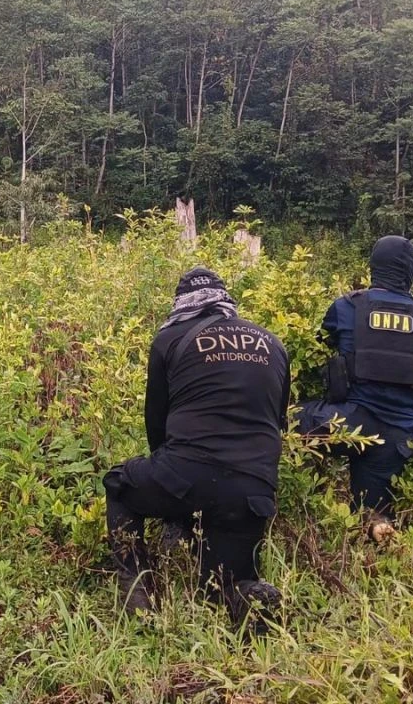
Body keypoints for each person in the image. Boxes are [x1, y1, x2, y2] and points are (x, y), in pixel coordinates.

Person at [103, 267, 290, 629]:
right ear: (226, 300)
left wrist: (176, 499)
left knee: (120, 486)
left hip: (188, 472)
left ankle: (138, 593)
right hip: (254, 491)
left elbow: (157, 427)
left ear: (181, 303)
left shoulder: (170, 338)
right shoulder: (273, 343)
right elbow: (277, 423)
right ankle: (242, 592)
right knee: (220, 584)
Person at [297, 235, 413, 542]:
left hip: (346, 420)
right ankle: (377, 528)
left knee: (280, 419)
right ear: (410, 271)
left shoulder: (346, 307)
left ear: (374, 267)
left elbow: (317, 345)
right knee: (372, 518)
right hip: (398, 435)